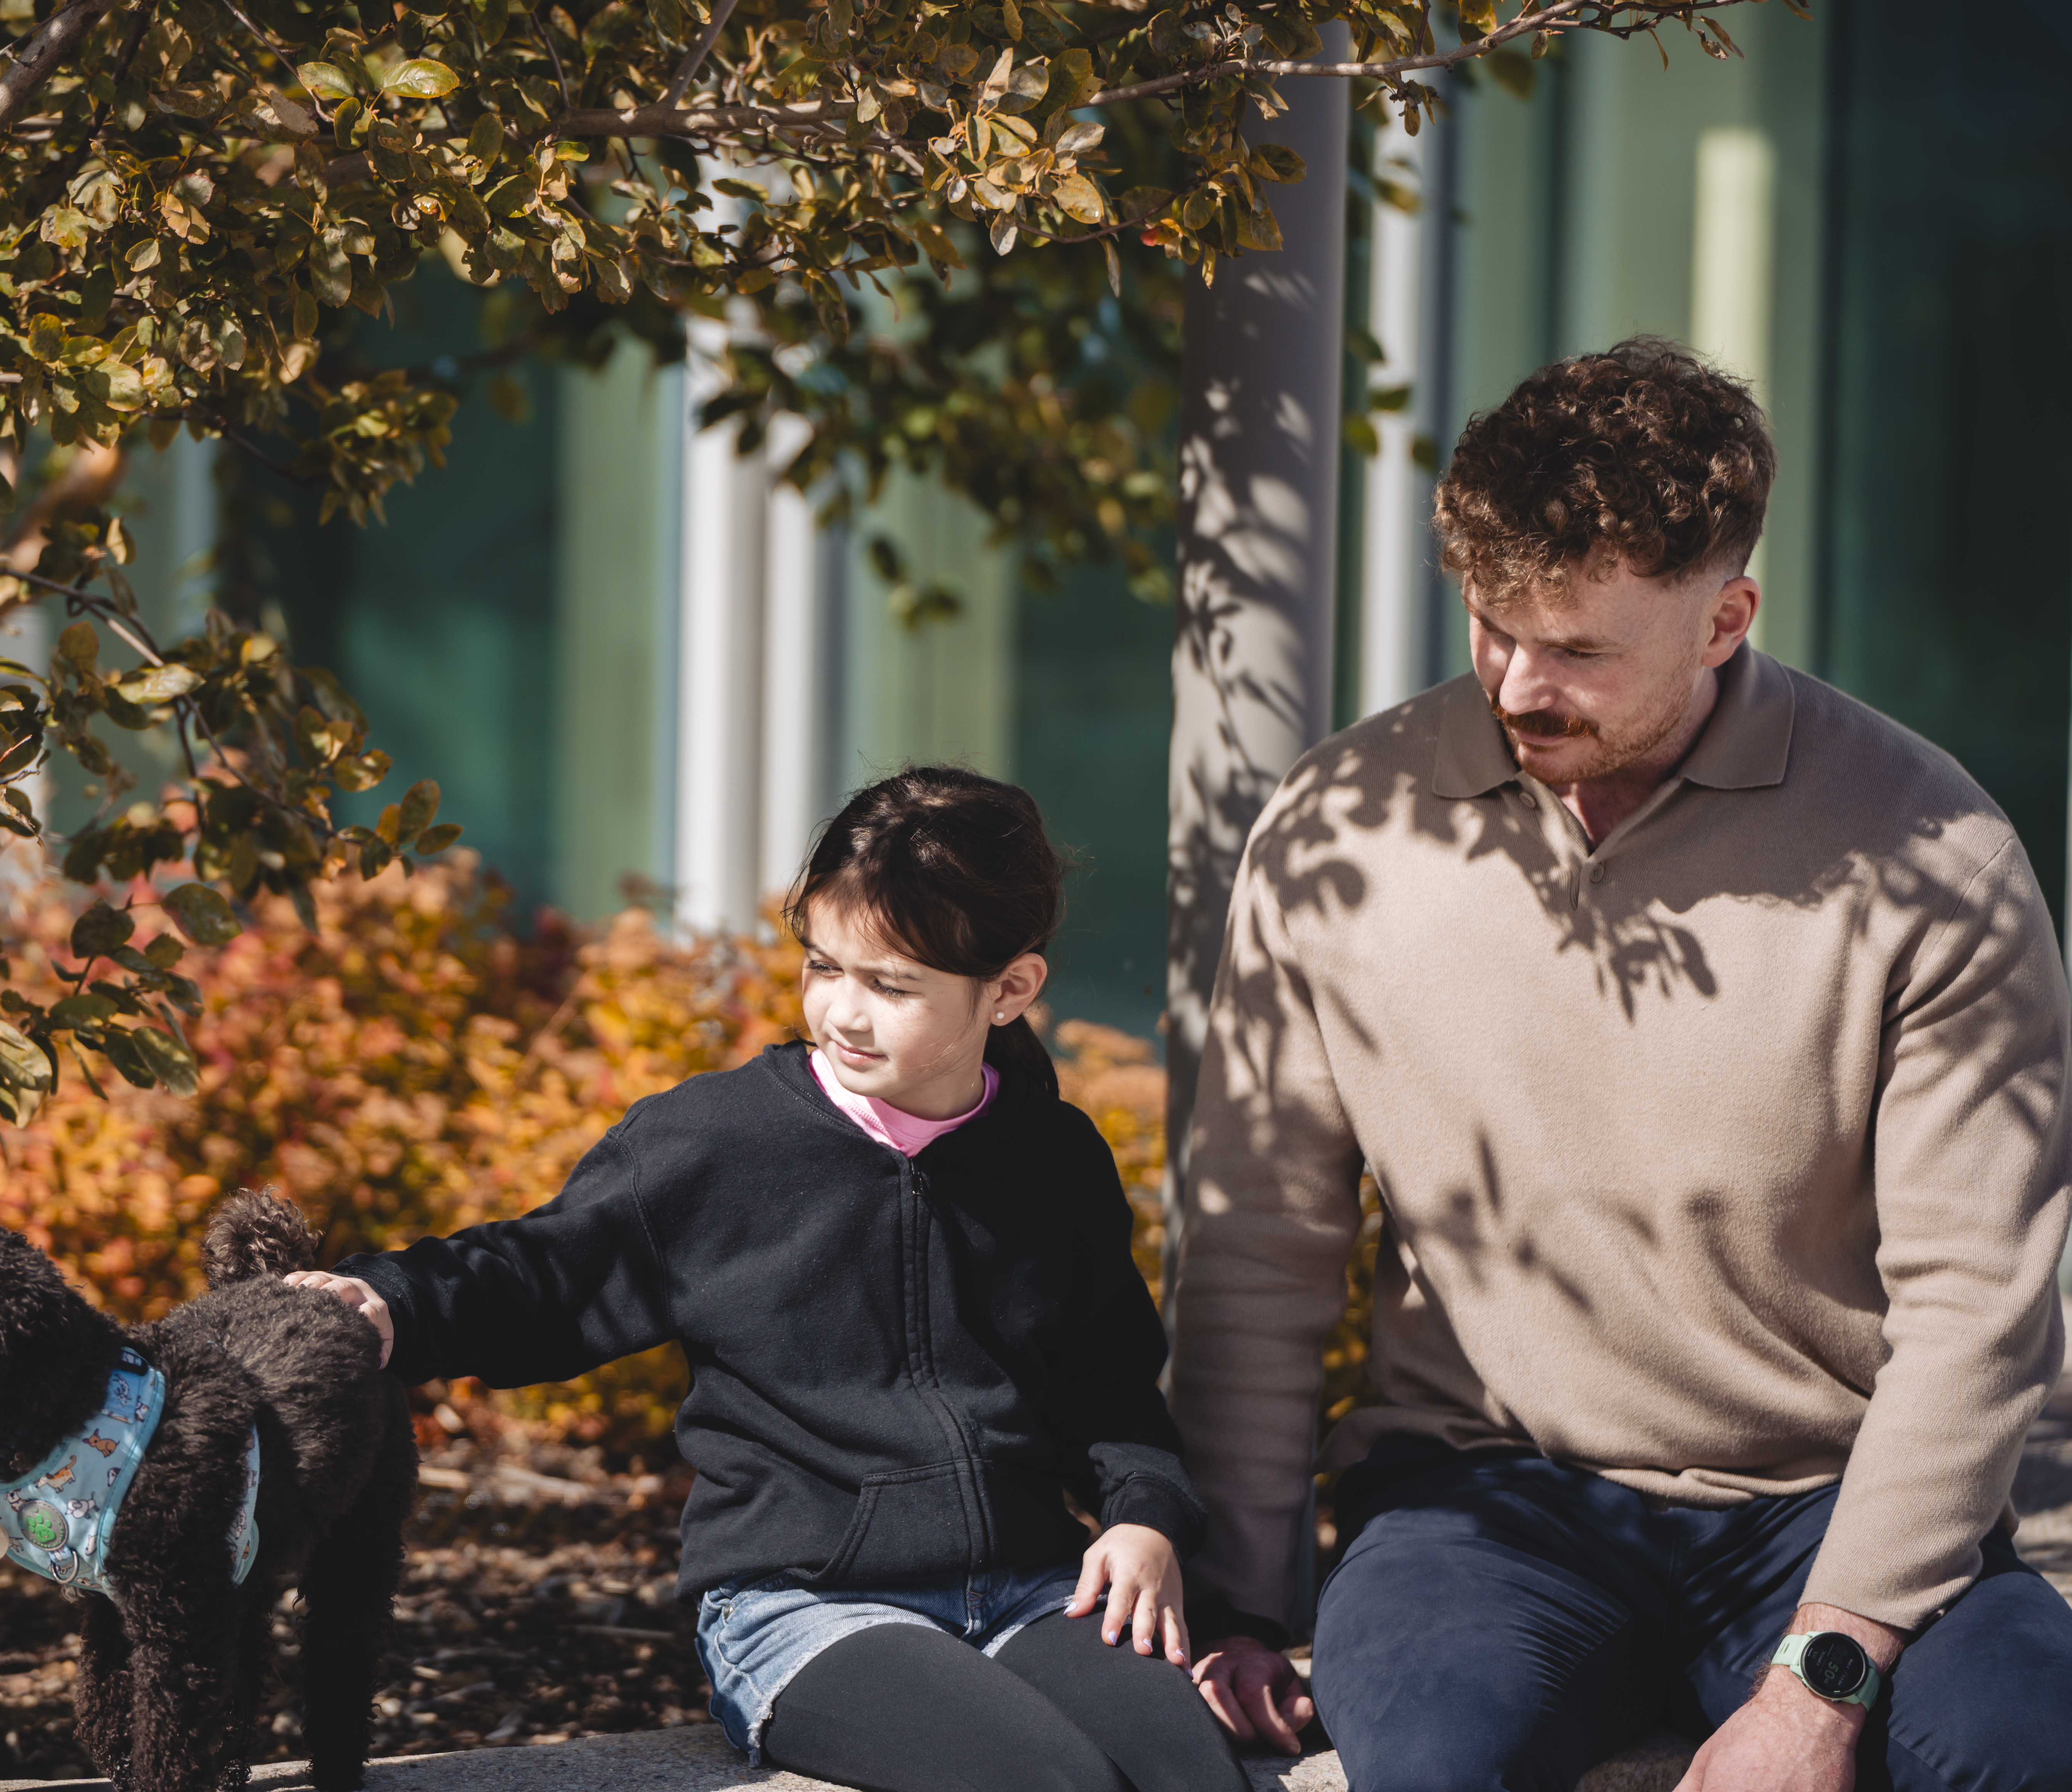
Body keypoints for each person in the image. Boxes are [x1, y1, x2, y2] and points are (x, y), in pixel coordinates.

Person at [1169, 336, 2072, 1791]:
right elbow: (1262, 1241)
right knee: (1436, 1760)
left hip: (1827, 1497)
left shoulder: (1933, 856)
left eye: (1583, 652)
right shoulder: (1344, 825)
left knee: (2027, 1750)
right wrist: (1241, 1597)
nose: (1521, 687)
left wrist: (1823, 1678)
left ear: (1727, 620)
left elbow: (1980, 1305)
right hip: (1486, 1495)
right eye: (1491, 628)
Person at [289, 766, 1248, 1792]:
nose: (843, 1012)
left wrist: (1145, 1514)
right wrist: (390, 1304)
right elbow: (549, 1273)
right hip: (804, 1606)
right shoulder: (714, 1142)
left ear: (1010, 988)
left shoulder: (1053, 1157)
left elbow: (1107, 1382)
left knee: (1196, 1775)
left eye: (891, 986)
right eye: (823, 966)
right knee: (1050, 1786)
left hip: (1032, 1589)